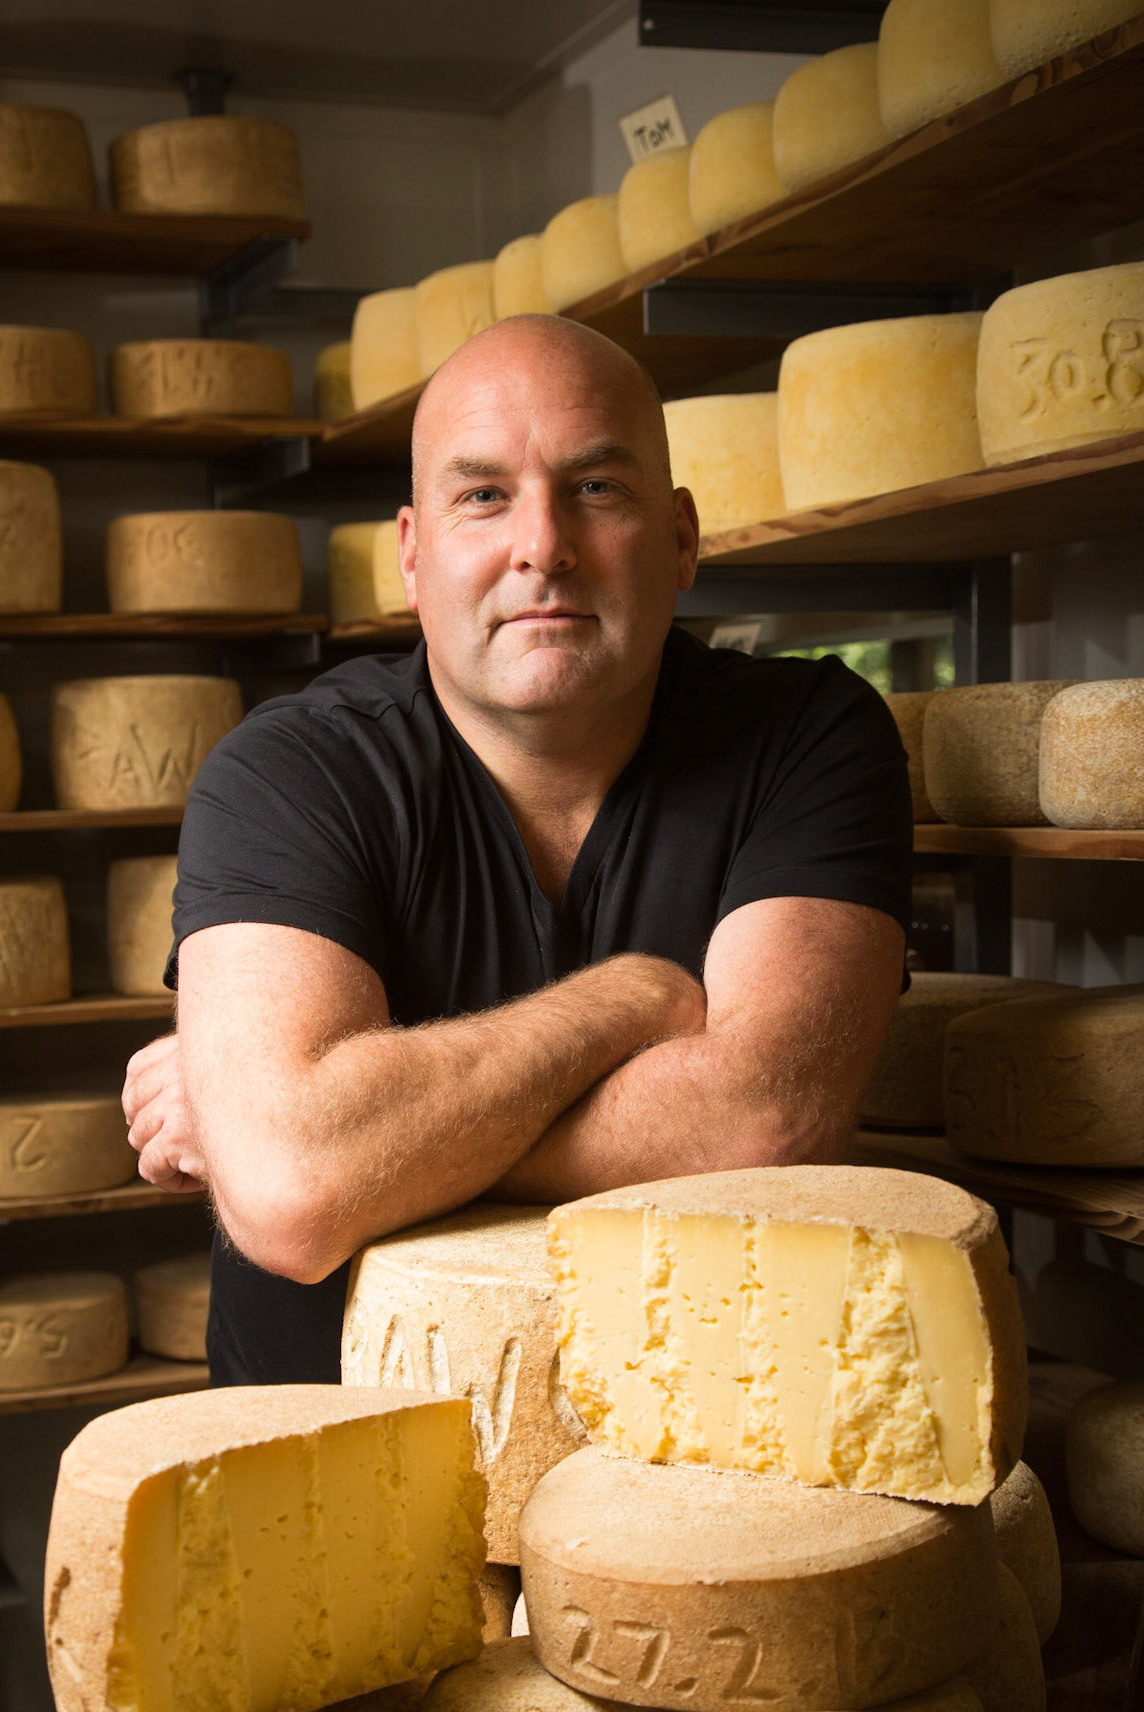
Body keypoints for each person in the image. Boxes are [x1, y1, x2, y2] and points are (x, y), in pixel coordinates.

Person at [122, 313, 912, 1386]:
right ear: (413, 552)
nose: (544, 544)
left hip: (700, 1474)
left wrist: (325, 1131)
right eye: (484, 495)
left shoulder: (808, 733)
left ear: (681, 538)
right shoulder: (288, 771)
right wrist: (632, 999)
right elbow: (295, 1197)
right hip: (332, 1461)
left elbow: (763, 1122)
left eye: (597, 487)